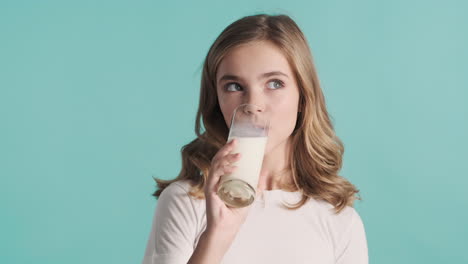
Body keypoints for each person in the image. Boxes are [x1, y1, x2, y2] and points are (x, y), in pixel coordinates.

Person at [142, 14, 368, 264]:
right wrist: (216, 237)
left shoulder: (339, 220)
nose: (253, 105)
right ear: (217, 101)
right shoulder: (184, 203)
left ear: (303, 96)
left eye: (274, 83)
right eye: (234, 87)